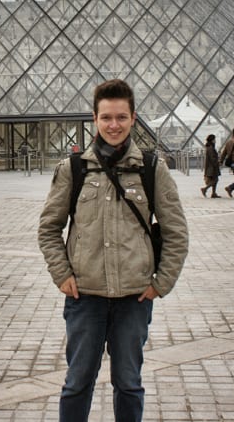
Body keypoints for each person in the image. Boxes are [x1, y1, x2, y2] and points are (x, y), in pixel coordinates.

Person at [38, 79, 189, 421]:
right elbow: (48, 229)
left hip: (134, 299)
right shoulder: (73, 170)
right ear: (95, 118)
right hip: (85, 299)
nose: (114, 125)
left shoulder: (152, 169)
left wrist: (161, 283)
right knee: (77, 384)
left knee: (129, 384)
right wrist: (61, 274)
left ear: (133, 118)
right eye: (106, 117)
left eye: (121, 117)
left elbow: (177, 232)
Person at [200, 134, 221, 198]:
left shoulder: (209, 147)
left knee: (215, 179)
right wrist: (217, 163)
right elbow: (212, 158)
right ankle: (205, 189)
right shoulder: (211, 148)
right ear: (212, 140)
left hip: (210, 167)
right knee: (215, 180)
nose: (215, 141)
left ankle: (213, 193)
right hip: (212, 167)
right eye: (214, 139)